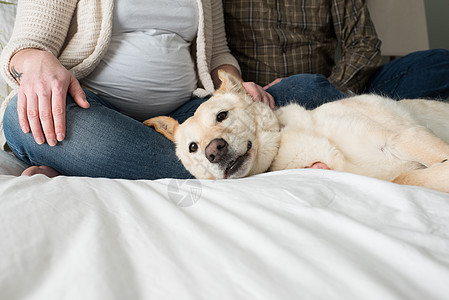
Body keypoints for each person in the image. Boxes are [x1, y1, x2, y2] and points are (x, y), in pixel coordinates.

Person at [0, 0, 346, 180]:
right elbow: (26, 46)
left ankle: (92, 164)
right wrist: (35, 62)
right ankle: (247, 159)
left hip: (186, 124)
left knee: (308, 89)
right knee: (25, 116)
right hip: (91, 110)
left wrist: (236, 90)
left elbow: (218, 54)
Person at [223, 0, 449, 101]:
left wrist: (326, 91)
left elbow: (364, 44)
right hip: (259, 100)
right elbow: (213, 52)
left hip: (332, 89)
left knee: (437, 63)